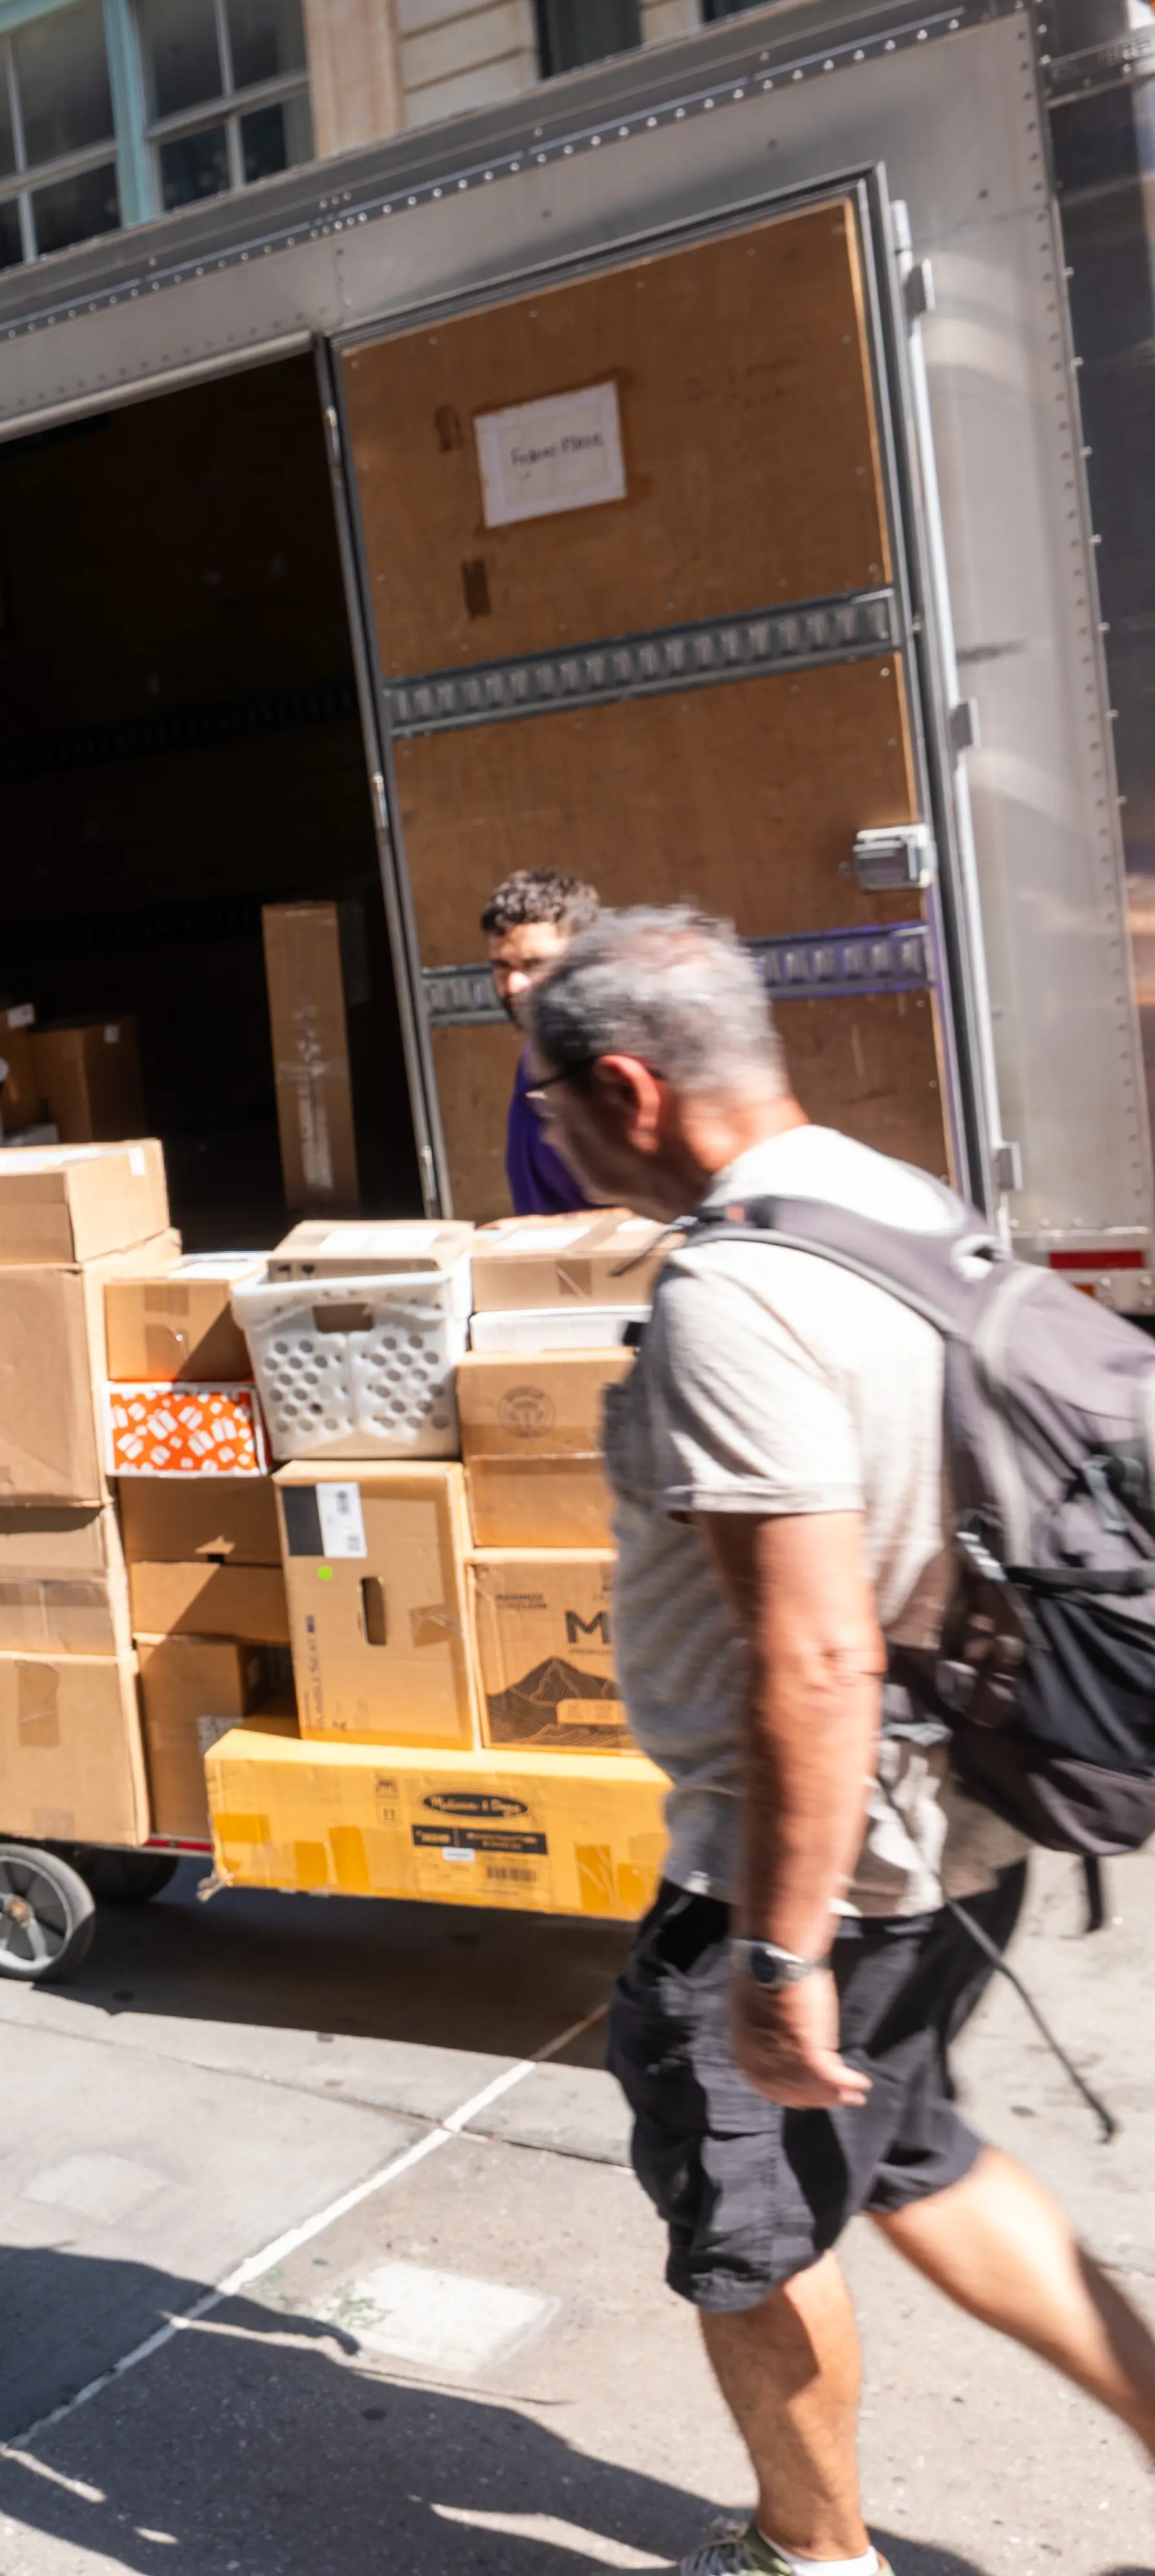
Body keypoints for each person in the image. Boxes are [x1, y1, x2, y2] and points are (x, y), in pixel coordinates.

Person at [524, 909, 1155, 2576]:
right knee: (920, 2147)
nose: (556, 1137)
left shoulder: (734, 1292)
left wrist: (776, 1954)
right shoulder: (898, 1196)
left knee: (750, 2236)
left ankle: (816, 2558)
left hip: (808, 1864)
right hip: (971, 1813)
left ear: (629, 1089)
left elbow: (807, 1656)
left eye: (554, 1103)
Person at [488, 866, 604, 1213]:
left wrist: (544, 1232)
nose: (514, 986)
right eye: (502, 966)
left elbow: (680, 1211)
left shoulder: (623, 1061)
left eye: (535, 964)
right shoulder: (537, 1055)